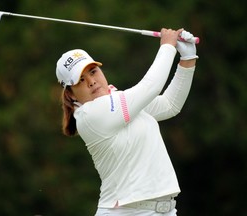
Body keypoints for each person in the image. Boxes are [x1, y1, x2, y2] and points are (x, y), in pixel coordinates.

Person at [55, 28, 198, 216]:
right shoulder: (91, 114)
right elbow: (150, 87)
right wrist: (167, 46)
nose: (91, 81)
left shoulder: (119, 101)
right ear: (71, 93)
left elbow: (169, 105)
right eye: (81, 80)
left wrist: (187, 58)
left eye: (93, 71)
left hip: (164, 211)